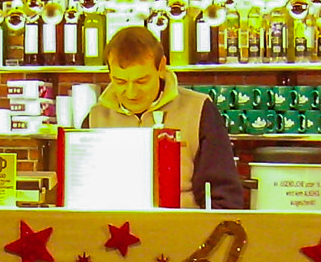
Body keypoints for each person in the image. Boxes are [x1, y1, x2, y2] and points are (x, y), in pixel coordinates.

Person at [81, 24, 247, 207]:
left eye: (141, 81)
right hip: (111, 228)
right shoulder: (95, 118)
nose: (131, 93)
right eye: (120, 81)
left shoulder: (198, 109)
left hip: (183, 228)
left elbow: (223, 196)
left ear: (161, 67)